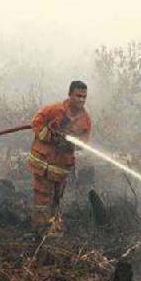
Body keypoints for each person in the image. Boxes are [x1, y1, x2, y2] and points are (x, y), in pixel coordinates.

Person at [28, 80, 92, 233]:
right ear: (70, 94)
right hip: (43, 163)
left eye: (84, 97)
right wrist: (51, 137)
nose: (81, 100)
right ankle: (39, 231)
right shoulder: (54, 110)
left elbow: (83, 142)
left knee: (56, 199)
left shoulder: (85, 120)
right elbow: (36, 123)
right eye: (78, 96)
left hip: (61, 168)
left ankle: (53, 228)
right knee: (42, 199)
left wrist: (70, 144)